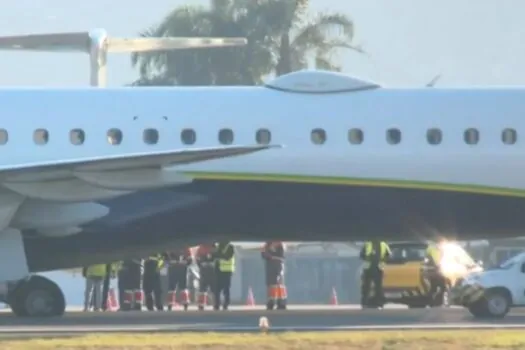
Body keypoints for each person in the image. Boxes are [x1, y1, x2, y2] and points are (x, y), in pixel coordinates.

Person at [359, 239, 391, 308]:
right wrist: (368, 258)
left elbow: (388, 255)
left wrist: (382, 260)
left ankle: (378, 302)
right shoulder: (368, 244)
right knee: (366, 287)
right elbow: (361, 255)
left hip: (378, 268)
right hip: (368, 268)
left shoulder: (383, 244)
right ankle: (365, 302)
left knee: (377, 287)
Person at [261, 241, 287, 310]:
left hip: (278, 266)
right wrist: (270, 256)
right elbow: (263, 254)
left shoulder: (281, 245)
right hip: (270, 267)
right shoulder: (266, 245)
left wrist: (271, 256)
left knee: (280, 284)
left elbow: (281, 255)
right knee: (271, 285)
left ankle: (281, 303)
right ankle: (271, 303)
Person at [212, 241, 235, 311]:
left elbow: (227, 257)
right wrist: (219, 255)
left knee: (226, 289)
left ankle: (226, 304)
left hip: (227, 271)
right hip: (218, 270)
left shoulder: (230, 247)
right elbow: (213, 255)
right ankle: (216, 304)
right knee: (216, 289)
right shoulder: (217, 246)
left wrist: (218, 256)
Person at [195, 243, 216, 310]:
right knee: (213, 289)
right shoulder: (214, 248)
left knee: (203, 288)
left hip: (205, 271)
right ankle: (215, 304)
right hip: (211, 271)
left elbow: (197, 259)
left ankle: (202, 304)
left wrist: (200, 265)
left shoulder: (201, 248)